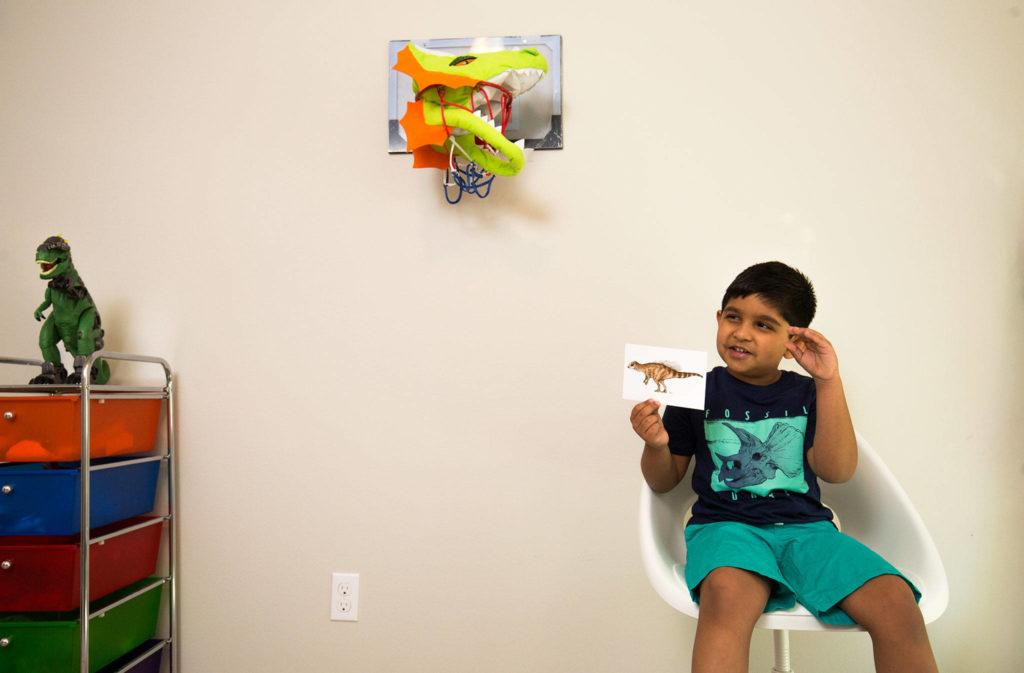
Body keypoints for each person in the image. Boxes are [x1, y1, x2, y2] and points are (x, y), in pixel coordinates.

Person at [630, 261, 938, 673]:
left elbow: (838, 470)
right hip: (726, 529)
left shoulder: (808, 392)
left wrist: (829, 382)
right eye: (734, 318)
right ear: (719, 319)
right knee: (725, 598)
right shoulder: (693, 391)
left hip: (808, 532)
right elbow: (664, 481)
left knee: (897, 601)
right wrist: (655, 446)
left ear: (792, 339)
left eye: (764, 325)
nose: (741, 332)